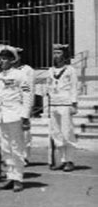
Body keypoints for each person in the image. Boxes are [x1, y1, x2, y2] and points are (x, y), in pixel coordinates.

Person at [0, 45, 32, 192]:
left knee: (17, 147)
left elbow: (27, 95)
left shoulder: (20, 75)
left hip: (15, 115)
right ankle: (10, 176)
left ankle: (18, 179)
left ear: (12, 60)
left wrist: (25, 116)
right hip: (2, 116)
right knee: (6, 148)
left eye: (5, 59)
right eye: (0, 58)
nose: (2, 61)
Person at [47, 44, 78, 172]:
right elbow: (48, 87)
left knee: (67, 132)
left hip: (65, 104)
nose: (56, 55)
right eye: (54, 52)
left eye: (59, 53)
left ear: (64, 55)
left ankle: (69, 160)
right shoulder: (50, 70)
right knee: (56, 133)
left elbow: (74, 87)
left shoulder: (70, 70)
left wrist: (74, 104)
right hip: (54, 104)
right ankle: (62, 160)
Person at [14, 47, 35, 166]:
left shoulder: (28, 70)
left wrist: (29, 107)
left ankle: (25, 156)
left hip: (23, 104)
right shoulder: (9, 71)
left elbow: (30, 89)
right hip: (12, 105)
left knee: (25, 132)